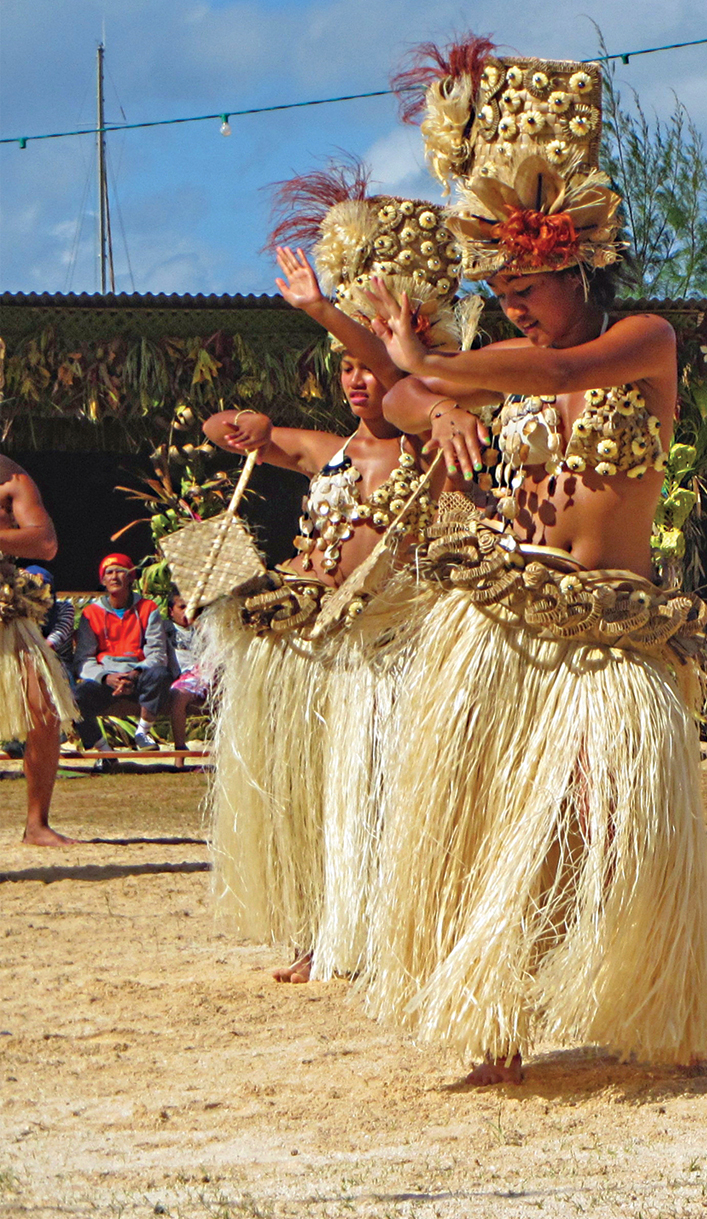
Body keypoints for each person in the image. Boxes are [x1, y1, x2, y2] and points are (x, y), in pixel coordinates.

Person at [365, 43, 707, 1085]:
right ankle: (498, 1019)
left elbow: (563, 365)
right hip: (511, 623)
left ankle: (647, 995)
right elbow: (389, 403)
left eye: (526, 285)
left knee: (610, 819)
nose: (514, 305)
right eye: (501, 289)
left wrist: (434, 364)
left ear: (576, 265)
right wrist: (429, 401)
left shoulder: (643, 340)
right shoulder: (498, 361)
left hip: (610, 626)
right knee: (503, 823)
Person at [200, 161, 447, 984]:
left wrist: (327, 310)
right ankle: (322, 931)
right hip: (314, 653)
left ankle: (377, 934)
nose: (353, 378)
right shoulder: (327, 450)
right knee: (317, 799)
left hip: (383, 650)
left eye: (365, 366)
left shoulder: (424, 446)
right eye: (343, 368)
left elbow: (409, 374)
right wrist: (245, 423)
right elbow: (223, 430)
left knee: (376, 796)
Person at [0, 467, 78, 845]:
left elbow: (44, 544)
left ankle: (37, 825)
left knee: (44, 711)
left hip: (5, 609)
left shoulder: (11, 479)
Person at [73, 553, 173, 752]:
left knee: (161, 675)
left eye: (120, 571)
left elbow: (157, 653)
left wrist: (134, 673)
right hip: (106, 678)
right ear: (103, 580)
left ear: (131, 578)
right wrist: (106, 677)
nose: (114, 576)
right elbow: (83, 659)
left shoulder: (148, 608)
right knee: (74, 699)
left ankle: (142, 732)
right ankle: (105, 751)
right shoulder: (91, 613)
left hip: (138, 675)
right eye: (109, 572)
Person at [163, 589, 213, 753]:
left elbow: (217, 645)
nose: (187, 612)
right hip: (185, 678)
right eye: (182, 607)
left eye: (191, 608)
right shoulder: (166, 628)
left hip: (209, 675)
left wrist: (198, 624)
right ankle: (180, 751)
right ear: (171, 611)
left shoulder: (203, 628)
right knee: (178, 696)